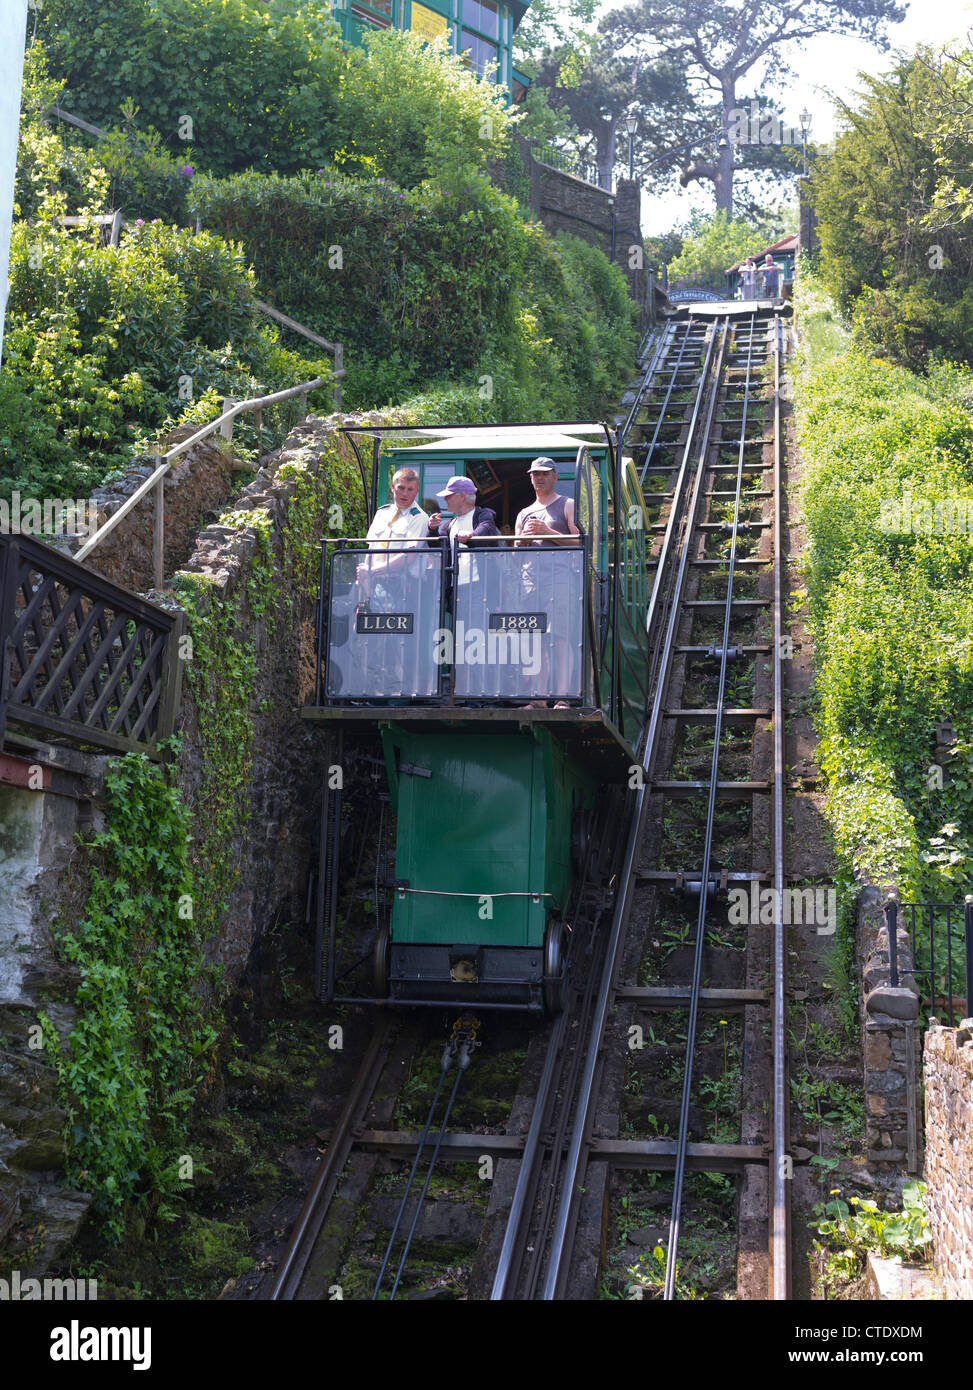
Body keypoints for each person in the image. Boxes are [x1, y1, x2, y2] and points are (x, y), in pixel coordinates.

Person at [514, 457, 582, 708]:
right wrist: (522, 541)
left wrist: (547, 532)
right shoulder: (523, 513)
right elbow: (514, 553)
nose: (539, 478)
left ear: (555, 476)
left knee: (561, 639)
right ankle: (538, 698)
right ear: (530, 478)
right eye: (535, 474)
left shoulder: (567, 504)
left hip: (560, 579)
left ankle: (563, 697)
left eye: (544, 473)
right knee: (535, 640)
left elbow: (580, 542)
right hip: (530, 582)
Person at [426, 475, 500, 552]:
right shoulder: (449, 525)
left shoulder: (484, 516)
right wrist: (432, 530)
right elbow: (438, 549)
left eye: (449, 495)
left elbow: (483, 537)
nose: (445, 498)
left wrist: (469, 537)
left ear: (462, 496)